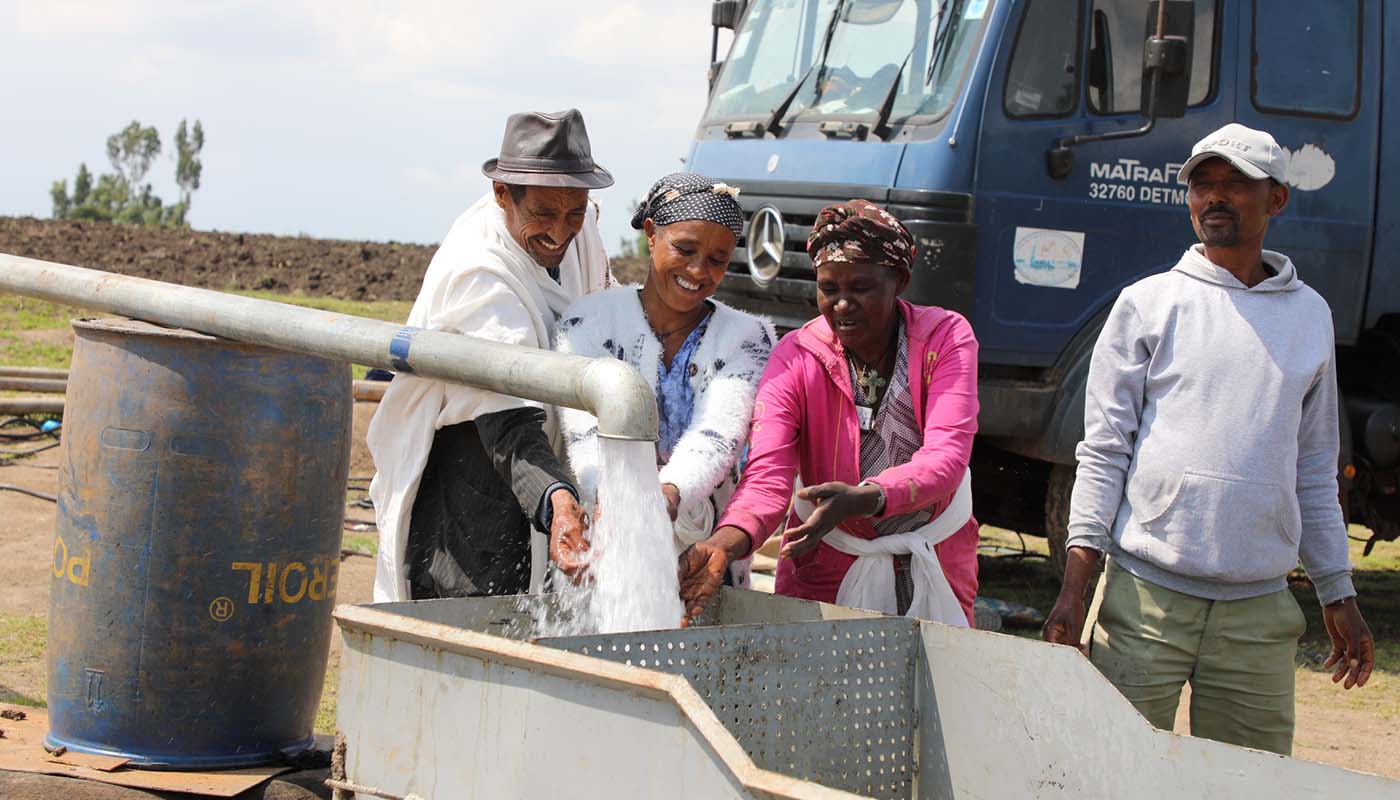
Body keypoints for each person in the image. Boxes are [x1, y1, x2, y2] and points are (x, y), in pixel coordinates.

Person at [1042, 123, 1375, 755]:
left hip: (1258, 614)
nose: (1214, 198)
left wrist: (1339, 591)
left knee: (1248, 783)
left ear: (1276, 200)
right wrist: (1074, 589)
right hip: (1144, 602)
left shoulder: (1309, 316)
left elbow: (1313, 469)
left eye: (1234, 185)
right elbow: (1103, 452)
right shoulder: (1148, 304)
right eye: (1202, 184)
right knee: (1114, 775)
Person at [677, 200, 980, 626]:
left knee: (940, 682)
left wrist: (868, 497)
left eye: (860, 288)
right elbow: (767, 477)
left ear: (900, 281)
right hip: (826, 559)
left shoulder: (944, 339)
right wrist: (724, 544)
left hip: (935, 557)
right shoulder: (796, 358)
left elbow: (947, 459)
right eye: (829, 288)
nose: (841, 304)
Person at [367, 109, 613, 602]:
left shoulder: (580, 231)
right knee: (475, 626)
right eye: (543, 214)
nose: (561, 232)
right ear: (503, 194)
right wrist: (558, 499)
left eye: (574, 213)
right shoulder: (478, 270)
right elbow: (507, 424)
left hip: (547, 457)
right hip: (474, 475)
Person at [554, 173, 775, 586]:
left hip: (703, 557)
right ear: (652, 234)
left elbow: (718, 431)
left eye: (717, 260)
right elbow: (583, 432)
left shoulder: (747, 338)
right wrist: (610, 499)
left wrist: (670, 492)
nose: (698, 270)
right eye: (685, 249)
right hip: (604, 535)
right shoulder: (588, 323)